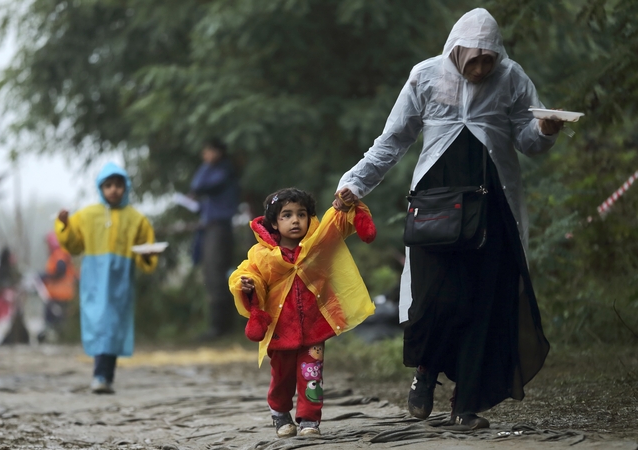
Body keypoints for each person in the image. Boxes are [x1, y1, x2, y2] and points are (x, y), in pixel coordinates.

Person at [333, 8, 564, 429]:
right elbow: (393, 140)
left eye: (487, 60)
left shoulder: (511, 78)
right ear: (454, 51)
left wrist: (546, 130)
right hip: (435, 207)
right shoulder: (425, 76)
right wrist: (355, 184)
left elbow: (528, 142)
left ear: (498, 56)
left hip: (492, 206)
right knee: (435, 296)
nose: (479, 68)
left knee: (484, 301)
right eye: (471, 59)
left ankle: (466, 404)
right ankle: (426, 373)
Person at [229, 187, 377, 438]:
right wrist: (245, 283)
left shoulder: (318, 243)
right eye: (286, 215)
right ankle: (279, 412)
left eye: (301, 214)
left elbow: (337, 221)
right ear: (274, 223)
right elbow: (249, 272)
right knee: (282, 378)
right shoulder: (262, 254)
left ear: (310, 218)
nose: (295, 220)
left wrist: (348, 204)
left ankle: (310, 419)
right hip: (280, 330)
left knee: (312, 376)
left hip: (314, 328)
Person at [55, 162, 158, 394]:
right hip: (94, 278)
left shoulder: (136, 219)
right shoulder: (87, 215)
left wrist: (149, 255)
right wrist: (64, 225)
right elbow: (74, 245)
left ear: (126, 187)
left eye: (118, 185)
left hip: (120, 280)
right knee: (99, 323)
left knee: (112, 325)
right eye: (108, 185)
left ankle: (103, 375)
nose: (113, 190)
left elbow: (146, 249)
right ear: (100, 188)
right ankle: (102, 375)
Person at [188, 138, 240, 341]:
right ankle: (219, 325)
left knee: (217, 273)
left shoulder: (223, 172)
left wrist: (207, 165)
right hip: (210, 227)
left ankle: (220, 327)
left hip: (219, 228)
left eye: (208, 152)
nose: (205, 157)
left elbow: (197, 185)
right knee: (211, 273)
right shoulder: (218, 170)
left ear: (217, 152)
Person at [40, 231, 78, 341]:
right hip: (61, 294)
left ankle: (57, 340)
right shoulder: (61, 253)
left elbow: (61, 269)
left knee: (55, 321)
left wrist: (47, 276)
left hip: (59, 294)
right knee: (58, 320)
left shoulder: (59, 254)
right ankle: (58, 339)